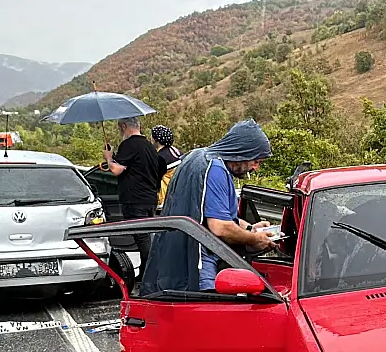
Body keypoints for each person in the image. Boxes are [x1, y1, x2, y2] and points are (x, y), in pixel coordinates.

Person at [140, 120, 275, 296]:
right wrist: (254, 239)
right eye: (256, 160)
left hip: (171, 259)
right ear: (242, 152)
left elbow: (212, 213)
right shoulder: (215, 169)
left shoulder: (197, 157)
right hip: (198, 267)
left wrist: (251, 228)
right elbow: (219, 226)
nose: (256, 167)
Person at [103, 117, 164, 284]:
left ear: (123, 126)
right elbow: (135, 168)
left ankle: (151, 278)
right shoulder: (150, 148)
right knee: (146, 237)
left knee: (143, 239)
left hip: (134, 200)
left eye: (119, 128)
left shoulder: (129, 145)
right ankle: (146, 276)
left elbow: (116, 169)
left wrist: (109, 157)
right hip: (150, 200)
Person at [150, 125, 182, 211]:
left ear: (156, 139)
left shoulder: (160, 157)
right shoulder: (176, 152)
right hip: (179, 196)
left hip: (164, 198)